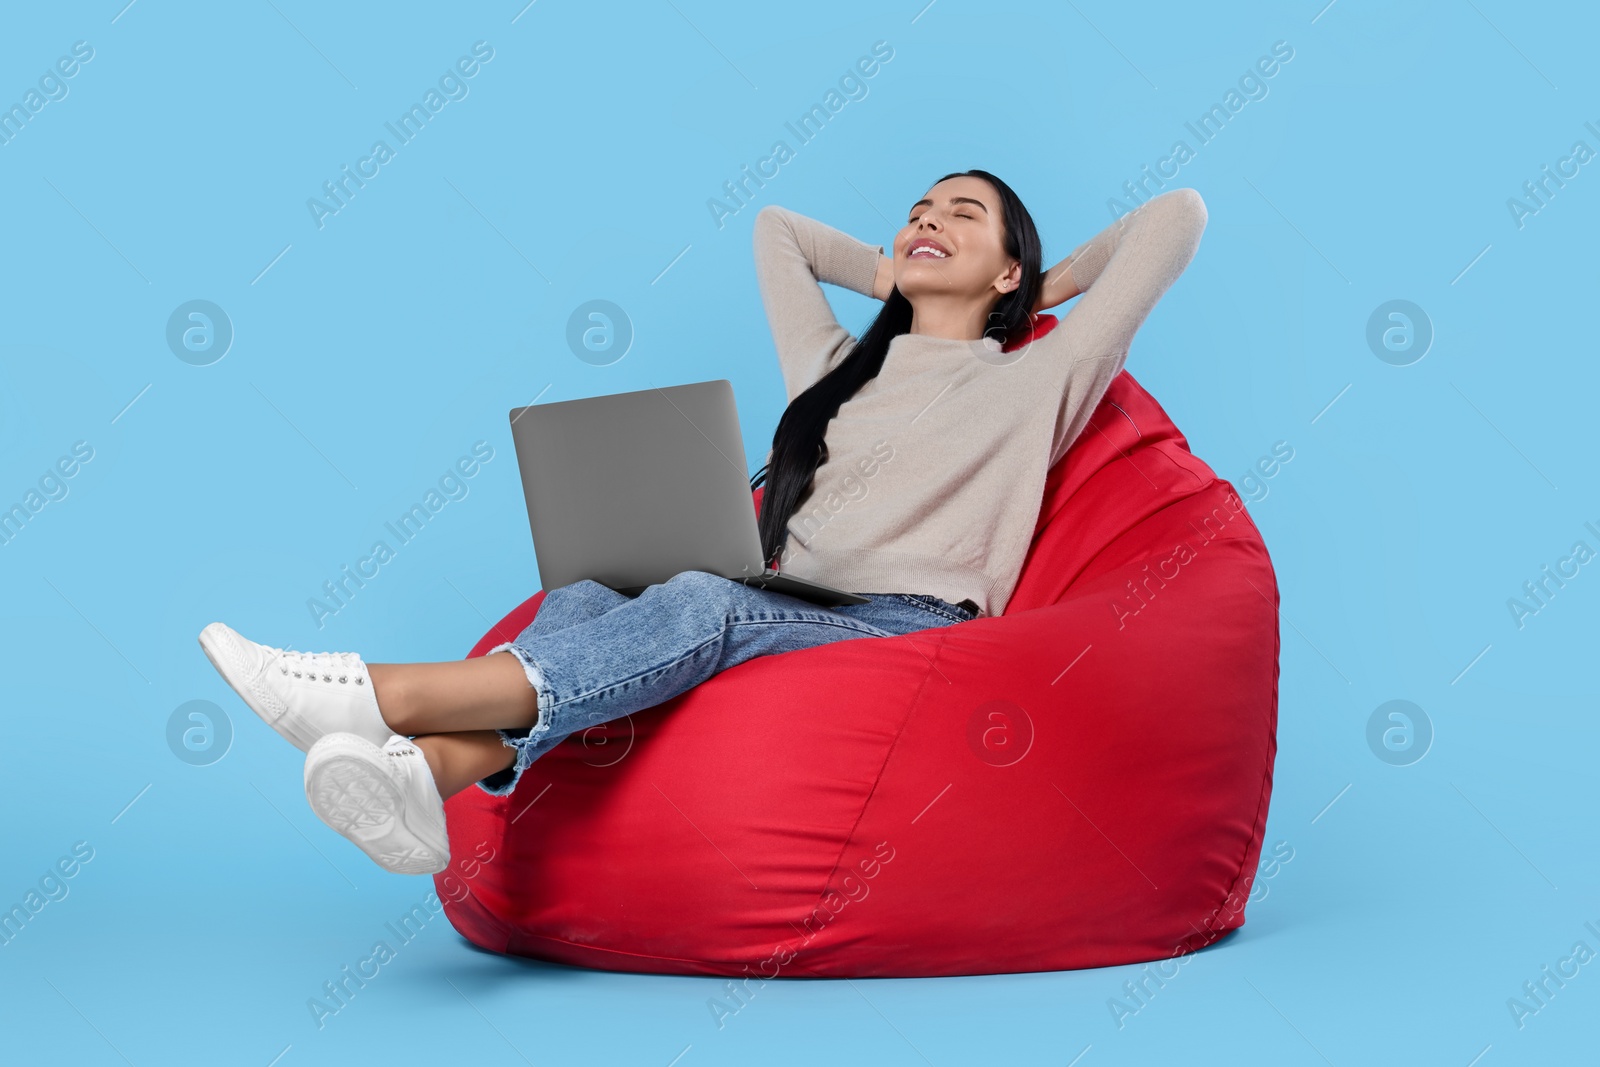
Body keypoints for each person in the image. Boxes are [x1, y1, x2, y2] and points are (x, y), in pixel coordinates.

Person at [198, 170, 1207, 876]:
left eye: (962, 213)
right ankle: (427, 776)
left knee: (699, 600)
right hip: (787, 603)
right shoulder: (834, 373)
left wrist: (1049, 285)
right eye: (914, 211)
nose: (925, 219)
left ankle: (381, 695)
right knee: (591, 587)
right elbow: (777, 230)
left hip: (905, 624)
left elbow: (1176, 217)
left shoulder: (1039, 377)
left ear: (1005, 273)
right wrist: (898, 273)